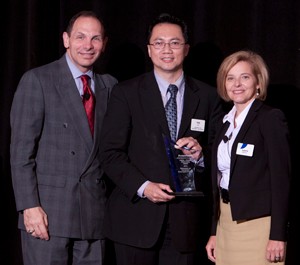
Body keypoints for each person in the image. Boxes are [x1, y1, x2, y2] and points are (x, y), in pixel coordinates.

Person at [99, 13, 224, 265]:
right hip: (135, 221)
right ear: (149, 49)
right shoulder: (126, 93)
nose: (167, 49)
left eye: (175, 42)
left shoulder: (209, 97)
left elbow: (220, 151)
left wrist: (202, 154)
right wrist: (144, 187)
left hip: (185, 224)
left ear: (186, 49)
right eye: (159, 43)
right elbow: (110, 153)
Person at [10, 10, 117, 265]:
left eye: (95, 38)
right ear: (66, 39)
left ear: (104, 44)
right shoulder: (38, 80)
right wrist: (29, 206)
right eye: (80, 37)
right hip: (48, 214)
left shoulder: (110, 86)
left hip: (94, 216)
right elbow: (21, 153)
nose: (87, 46)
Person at [205, 50, 291, 265]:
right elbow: (219, 180)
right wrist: (214, 231)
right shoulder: (223, 123)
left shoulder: (269, 118)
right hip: (226, 222)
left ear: (258, 83)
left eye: (245, 77)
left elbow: (281, 180)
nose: (237, 84)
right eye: (230, 78)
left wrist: (278, 235)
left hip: (258, 225)